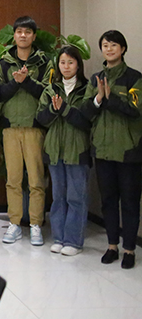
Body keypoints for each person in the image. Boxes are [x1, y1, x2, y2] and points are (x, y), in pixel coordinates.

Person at [81, 30, 142, 269]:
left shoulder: (134, 78)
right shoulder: (96, 78)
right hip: (103, 149)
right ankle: (112, 246)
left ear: (123, 49)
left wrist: (110, 98)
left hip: (128, 150)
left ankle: (129, 249)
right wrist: (98, 98)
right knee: (107, 200)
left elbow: (135, 109)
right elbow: (86, 111)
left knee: (129, 202)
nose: (109, 49)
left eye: (113, 45)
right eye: (105, 45)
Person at [0, 16, 52, 246]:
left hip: (34, 126)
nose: (23, 35)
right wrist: (16, 82)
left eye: (28, 32)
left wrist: (26, 81)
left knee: (36, 179)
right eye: (19, 31)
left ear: (34, 36)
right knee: (13, 179)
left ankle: (36, 224)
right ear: (14, 35)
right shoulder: (4, 62)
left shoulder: (44, 62)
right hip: (10, 127)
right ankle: (15, 224)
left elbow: (48, 92)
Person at [36, 46, 92, 256]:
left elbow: (87, 120)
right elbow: (41, 118)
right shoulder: (51, 89)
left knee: (76, 197)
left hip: (77, 149)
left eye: (70, 62)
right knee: (58, 197)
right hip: (54, 150)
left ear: (78, 64)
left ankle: (74, 241)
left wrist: (64, 109)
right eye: (62, 62)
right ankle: (59, 238)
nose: (66, 67)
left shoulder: (86, 89)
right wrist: (53, 108)